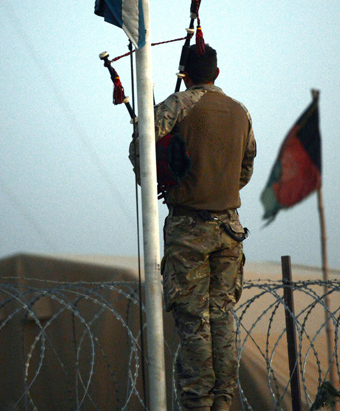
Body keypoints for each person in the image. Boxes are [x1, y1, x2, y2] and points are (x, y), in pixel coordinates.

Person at [130, 44, 256, 411]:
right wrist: (220, 187)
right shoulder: (240, 110)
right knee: (222, 317)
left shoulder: (177, 105)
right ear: (217, 73)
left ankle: (198, 402)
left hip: (189, 228)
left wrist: (159, 182)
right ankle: (223, 401)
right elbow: (246, 166)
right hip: (229, 228)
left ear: (184, 73)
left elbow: (141, 144)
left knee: (192, 319)